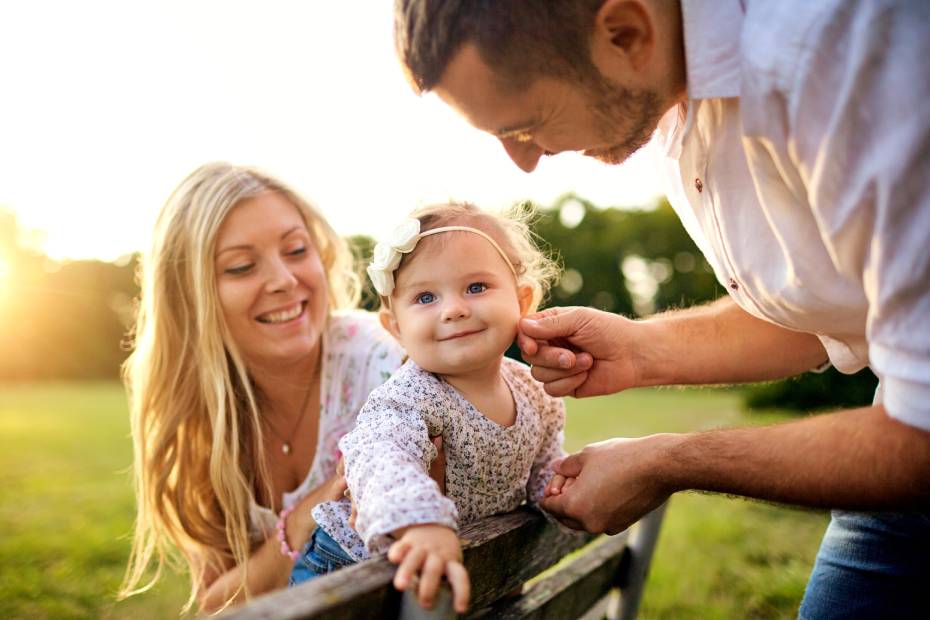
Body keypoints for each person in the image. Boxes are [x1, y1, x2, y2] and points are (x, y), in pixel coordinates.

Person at [393, 0, 930, 617]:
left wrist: (668, 461)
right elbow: (841, 308)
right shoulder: (671, 101)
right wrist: (644, 350)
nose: (525, 159)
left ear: (626, 32)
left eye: (526, 123)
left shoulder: (846, 61)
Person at [117, 162, 407, 613]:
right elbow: (217, 602)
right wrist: (302, 522)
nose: (284, 281)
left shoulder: (389, 366)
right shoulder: (203, 417)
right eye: (241, 266)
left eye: (295, 250)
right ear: (191, 297)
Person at [290, 202, 565, 613]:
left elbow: (543, 466)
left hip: (451, 570)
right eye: (425, 297)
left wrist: (558, 490)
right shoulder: (410, 396)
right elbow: (379, 456)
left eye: (476, 287)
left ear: (522, 300)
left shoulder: (535, 393)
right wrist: (420, 521)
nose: (453, 309)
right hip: (350, 567)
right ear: (396, 328)